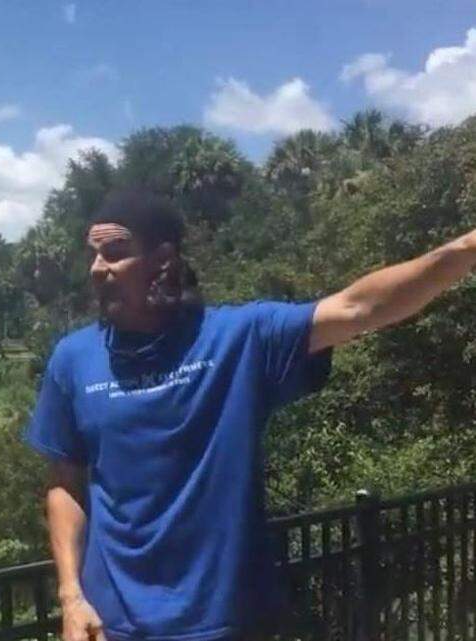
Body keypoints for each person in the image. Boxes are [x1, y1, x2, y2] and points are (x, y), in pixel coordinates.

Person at [25, 189, 476, 641]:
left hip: (229, 623)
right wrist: (71, 596)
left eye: (116, 252)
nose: (98, 268)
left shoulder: (238, 338)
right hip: (112, 627)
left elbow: (359, 307)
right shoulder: (73, 359)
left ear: (163, 259)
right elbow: (66, 484)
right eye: (95, 254)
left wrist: (466, 249)